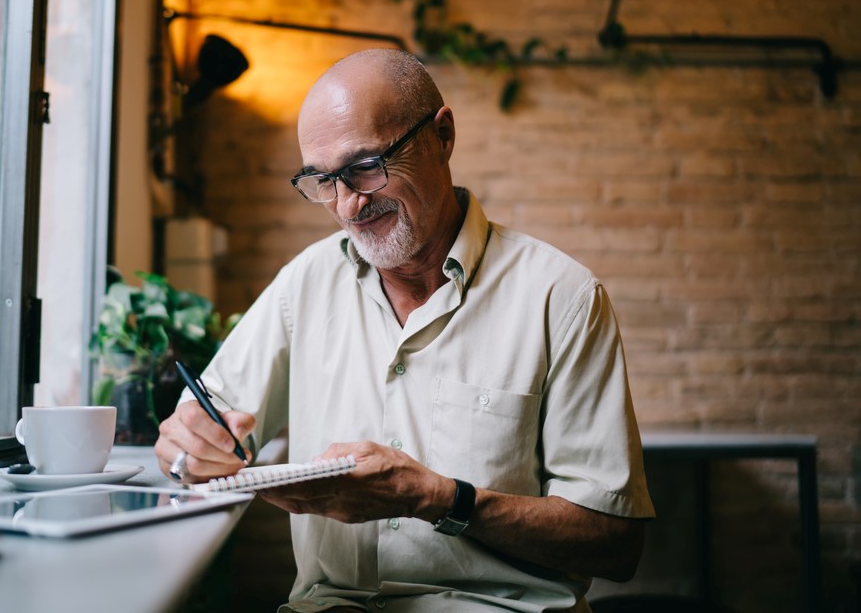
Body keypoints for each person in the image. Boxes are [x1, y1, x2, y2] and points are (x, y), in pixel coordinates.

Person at [156, 48, 655, 612]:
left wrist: (439, 499)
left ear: (442, 137)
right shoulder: (306, 284)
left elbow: (616, 545)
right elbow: (209, 428)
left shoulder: (561, 299)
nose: (348, 204)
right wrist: (189, 447)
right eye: (324, 180)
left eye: (366, 166)